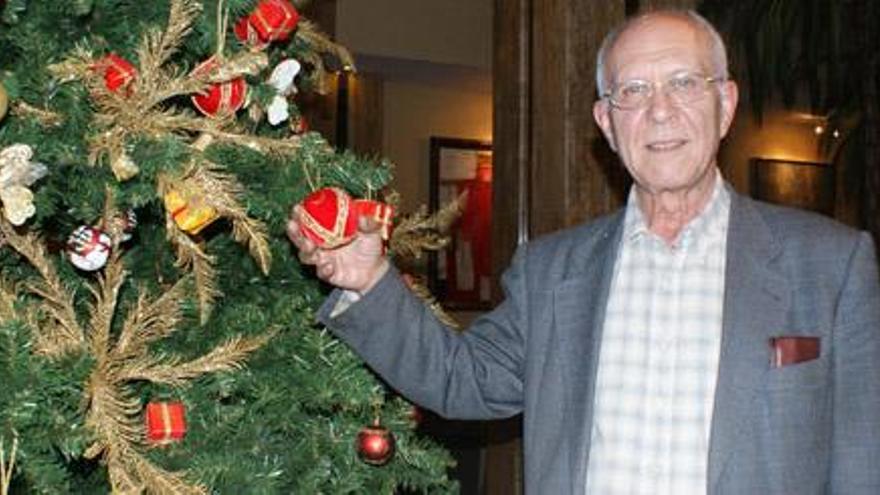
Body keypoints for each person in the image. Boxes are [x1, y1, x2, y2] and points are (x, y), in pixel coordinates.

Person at [287, 9, 880, 495]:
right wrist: (367, 278)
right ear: (606, 121)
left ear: (724, 104)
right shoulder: (552, 272)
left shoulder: (831, 265)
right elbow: (460, 379)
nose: (660, 110)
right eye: (634, 91)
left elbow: (863, 462)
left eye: (683, 83)